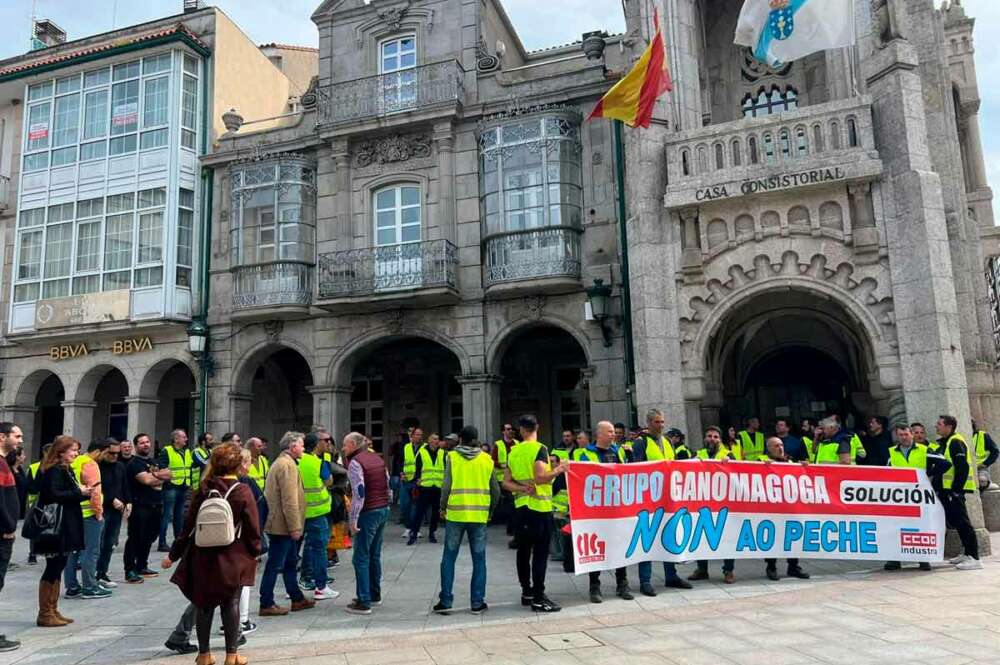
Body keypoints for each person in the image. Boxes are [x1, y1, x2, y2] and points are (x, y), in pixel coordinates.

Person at [162, 442, 261, 665]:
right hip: (233, 555)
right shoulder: (242, 491)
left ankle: (204, 655)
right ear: (237, 465)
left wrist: (173, 555)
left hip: (202, 555)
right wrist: (254, 551)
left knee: (204, 604)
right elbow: (254, 527)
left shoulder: (204, 489)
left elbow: (186, 527)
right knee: (231, 603)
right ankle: (232, 655)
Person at [434, 426, 498, 615]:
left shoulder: (452, 457)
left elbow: (446, 487)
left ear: (460, 439)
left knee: (449, 558)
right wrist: (491, 510)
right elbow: (496, 490)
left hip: (455, 514)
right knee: (479, 559)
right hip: (479, 516)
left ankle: (445, 601)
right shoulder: (487, 459)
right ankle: (477, 602)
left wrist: (442, 507)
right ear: (476, 439)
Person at [504, 414, 565, 613]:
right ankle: (539, 597)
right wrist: (558, 470)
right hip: (539, 510)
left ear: (520, 430)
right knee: (539, 554)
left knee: (523, 552)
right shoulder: (540, 448)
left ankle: (527, 592)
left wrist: (521, 489)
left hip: (521, 508)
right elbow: (540, 477)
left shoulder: (513, 451)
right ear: (537, 426)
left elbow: (506, 482)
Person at [630, 409, 692, 595]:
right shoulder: (640, 443)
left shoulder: (667, 442)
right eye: (657, 422)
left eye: (663, 422)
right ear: (648, 423)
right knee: (647, 539)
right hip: (649, 498)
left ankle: (671, 576)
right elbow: (636, 469)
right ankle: (645, 581)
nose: (661, 425)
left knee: (670, 536)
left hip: (668, 497)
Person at [35, 436, 90, 628]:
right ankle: (45, 612)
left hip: (67, 522)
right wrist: (80, 493)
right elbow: (54, 494)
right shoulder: (54, 470)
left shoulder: (65, 469)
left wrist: (81, 493)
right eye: (73, 450)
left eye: (77, 450)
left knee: (59, 565)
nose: (76, 453)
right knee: (54, 566)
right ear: (61, 452)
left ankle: (53, 609)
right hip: (57, 526)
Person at [259, 431, 315, 616]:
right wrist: (295, 527)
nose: (303, 448)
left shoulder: (284, 462)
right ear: (292, 447)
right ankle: (266, 602)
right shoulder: (287, 465)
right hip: (282, 525)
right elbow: (289, 500)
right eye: (301, 445)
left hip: (282, 524)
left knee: (290, 561)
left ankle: (297, 598)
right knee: (275, 563)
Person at [884, 424, 949, 572]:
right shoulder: (892, 453)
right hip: (900, 497)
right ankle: (894, 560)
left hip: (920, 496)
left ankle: (924, 560)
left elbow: (945, 463)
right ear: (897, 436)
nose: (904, 437)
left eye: (906, 434)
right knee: (896, 528)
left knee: (922, 528)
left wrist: (929, 474)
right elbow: (886, 472)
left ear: (911, 434)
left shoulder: (924, 450)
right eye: (901, 435)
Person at [584, 421, 634, 603]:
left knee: (620, 545)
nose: (614, 434)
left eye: (614, 431)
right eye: (610, 431)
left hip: (617, 508)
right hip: (596, 510)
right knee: (596, 547)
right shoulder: (586, 453)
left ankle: (622, 583)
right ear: (600, 434)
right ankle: (594, 586)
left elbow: (629, 473)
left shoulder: (619, 451)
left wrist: (630, 456)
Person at [342, 431, 391, 615]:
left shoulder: (356, 463)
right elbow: (387, 484)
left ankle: (363, 601)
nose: (343, 448)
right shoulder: (376, 458)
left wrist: (353, 520)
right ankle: (374, 594)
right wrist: (387, 503)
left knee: (360, 557)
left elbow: (359, 493)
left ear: (353, 445)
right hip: (382, 509)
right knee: (374, 554)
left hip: (368, 512)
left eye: (345, 445)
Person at [760, 437, 811, 580]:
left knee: (792, 537)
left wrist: (804, 467)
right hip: (771, 508)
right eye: (776, 445)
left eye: (781, 445)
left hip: (790, 508)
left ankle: (793, 566)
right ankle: (771, 567)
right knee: (772, 538)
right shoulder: (760, 461)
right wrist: (763, 467)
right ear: (768, 448)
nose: (780, 448)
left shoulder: (790, 463)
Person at [690, 426, 736, 583]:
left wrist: (730, 464)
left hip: (723, 504)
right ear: (704, 438)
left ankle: (728, 571)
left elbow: (739, 475)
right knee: (701, 535)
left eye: (716, 437)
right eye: (709, 436)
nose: (712, 439)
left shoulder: (728, 455)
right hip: (702, 502)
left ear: (720, 440)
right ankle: (702, 569)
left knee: (726, 537)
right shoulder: (698, 454)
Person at [935, 415, 982, 570]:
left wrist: (955, 490)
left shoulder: (955, 442)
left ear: (949, 426)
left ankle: (975, 558)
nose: (936, 426)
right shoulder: (946, 442)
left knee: (963, 522)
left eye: (939, 424)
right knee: (958, 523)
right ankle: (967, 553)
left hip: (954, 491)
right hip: (948, 490)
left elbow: (962, 468)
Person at [64, 439, 109, 599]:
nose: (106, 457)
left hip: (74, 514)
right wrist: (98, 513)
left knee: (73, 551)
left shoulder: (75, 461)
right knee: (90, 551)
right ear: (99, 451)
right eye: (106, 453)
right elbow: (94, 491)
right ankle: (90, 586)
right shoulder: (90, 464)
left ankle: (72, 587)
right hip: (89, 515)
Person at [124, 433, 170, 585]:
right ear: (136, 446)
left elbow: (169, 475)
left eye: (147, 442)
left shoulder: (153, 461)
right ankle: (130, 570)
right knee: (135, 537)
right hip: (139, 505)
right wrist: (158, 476)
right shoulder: (134, 463)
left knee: (150, 537)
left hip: (156, 503)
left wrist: (155, 475)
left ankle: (142, 565)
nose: (146, 445)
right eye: (142, 443)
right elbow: (146, 480)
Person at [299, 433, 337, 601]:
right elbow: (329, 481)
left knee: (297, 549)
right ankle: (321, 587)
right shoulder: (317, 462)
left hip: (299, 513)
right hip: (318, 512)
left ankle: (296, 584)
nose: (326, 444)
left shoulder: (297, 461)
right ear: (316, 445)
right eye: (324, 441)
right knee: (319, 549)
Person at [96, 438, 130, 589]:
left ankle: (102, 573)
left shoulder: (120, 466)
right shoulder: (97, 466)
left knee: (109, 543)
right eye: (111, 453)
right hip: (102, 509)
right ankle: (93, 574)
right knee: (99, 543)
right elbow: (97, 489)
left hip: (117, 510)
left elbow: (124, 485)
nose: (115, 456)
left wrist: (128, 501)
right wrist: (111, 499)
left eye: (118, 453)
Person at [0, 423, 22, 650]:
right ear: (2, 437)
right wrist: (8, 526)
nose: (20, 440)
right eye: (16, 436)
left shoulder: (5, 463)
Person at [158, 429, 192, 552]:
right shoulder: (167, 450)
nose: (186, 439)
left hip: (183, 486)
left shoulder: (187, 451)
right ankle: (162, 542)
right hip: (170, 487)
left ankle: (179, 540)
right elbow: (161, 468)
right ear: (176, 439)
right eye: (183, 437)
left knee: (179, 515)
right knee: (167, 515)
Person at [407, 433, 445, 545]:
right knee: (419, 511)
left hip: (438, 486)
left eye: (438, 439)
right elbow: (417, 467)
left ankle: (432, 533)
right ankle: (414, 533)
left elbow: (446, 468)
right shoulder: (422, 452)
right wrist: (417, 479)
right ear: (429, 440)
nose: (436, 440)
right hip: (425, 486)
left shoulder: (443, 453)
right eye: (434, 438)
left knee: (435, 513)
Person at [26, 443, 52, 566]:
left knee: (46, 529)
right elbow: (30, 487)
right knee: (35, 529)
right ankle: (33, 553)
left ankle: (45, 551)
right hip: (36, 503)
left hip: (46, 503)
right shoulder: (34, 467)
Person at [399, 428, 425, 532]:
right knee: (405, 505)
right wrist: (401, 472)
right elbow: (401, 461)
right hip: (406, 480)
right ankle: (408, 526)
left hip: (418, 481)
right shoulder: (406, 447)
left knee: (416, 505)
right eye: (417, 435)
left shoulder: (424, 448)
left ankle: (415, 528)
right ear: (412, 436)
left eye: (421, 435)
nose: (419, 437)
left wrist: (421, 478)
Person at [971, 420, 999, 490]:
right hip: (966, 467)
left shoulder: (982, 435)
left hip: (980, 467)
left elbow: (995, 452)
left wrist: (984, 464)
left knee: (982, 481)